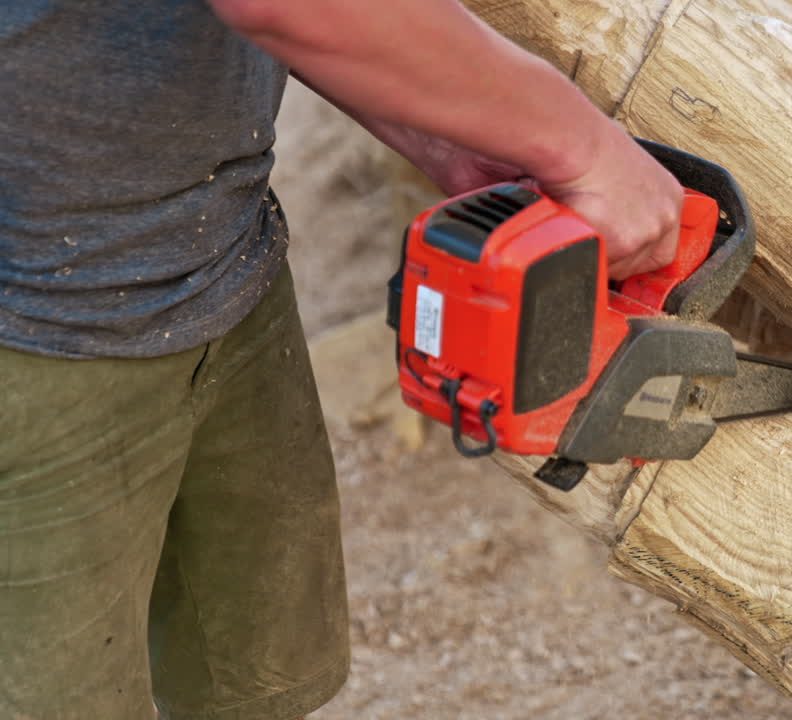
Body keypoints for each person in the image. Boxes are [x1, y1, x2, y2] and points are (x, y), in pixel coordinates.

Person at [0, 1, 684, 718]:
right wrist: (582, 148)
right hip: (35, 341)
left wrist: (443, 136)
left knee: (254, 685)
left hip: (224, 265)